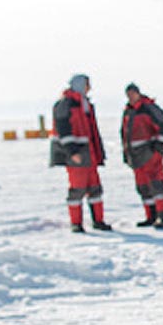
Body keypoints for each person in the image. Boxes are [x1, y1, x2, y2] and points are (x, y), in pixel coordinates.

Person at [51, 74, 111, 233]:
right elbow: (63, 130)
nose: (89, 87)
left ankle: (98, 221)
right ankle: (76, 223)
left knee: (95, 188)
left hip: (89, 154)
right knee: (77, 189)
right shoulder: (66, 105)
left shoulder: (85, 104)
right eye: (87, 84)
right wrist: (72, 151)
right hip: (76, 155)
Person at [120, 83, 163, 229]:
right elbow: (124, 135)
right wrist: (126, 154)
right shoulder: (128, 112)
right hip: (135, 157)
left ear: (138, 93)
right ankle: (151, 216)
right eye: (128, 95)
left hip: (150, 155)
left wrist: (157, 145)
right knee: (143, 187)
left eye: (133, 93)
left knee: (156, 185)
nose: (131, 97)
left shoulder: (149, 108)